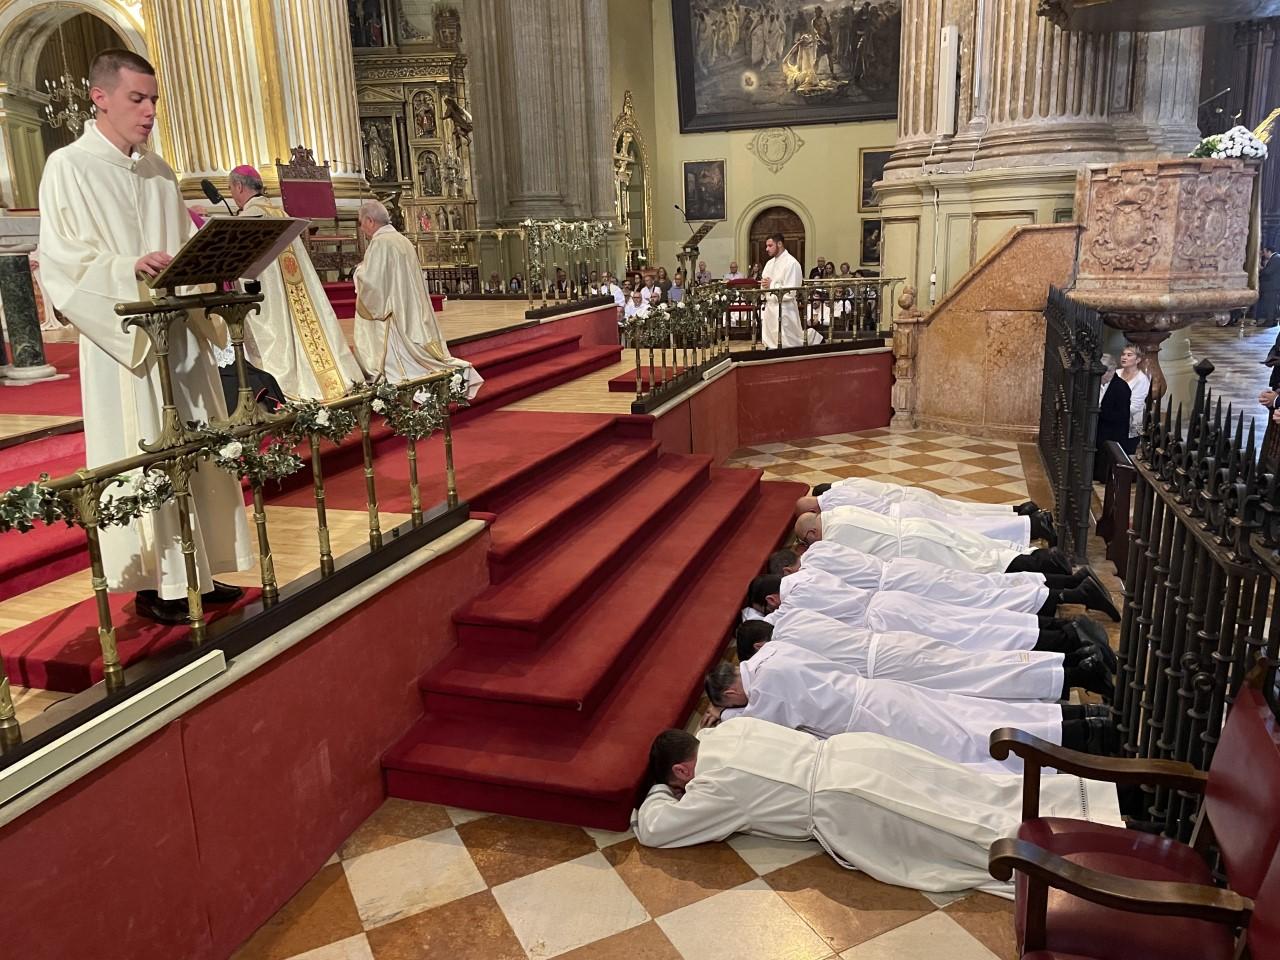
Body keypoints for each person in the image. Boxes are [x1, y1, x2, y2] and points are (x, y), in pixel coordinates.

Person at [37, 50, 253, 625]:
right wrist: (128, 266)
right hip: (125, 341)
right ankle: (159, 582)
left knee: (198, 445)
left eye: (154, 99)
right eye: (137, 98)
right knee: (147, 452)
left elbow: (183, 246)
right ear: (99, 97)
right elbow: (62, 264)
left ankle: (200, 573)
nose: (150, 110)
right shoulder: (69, 166)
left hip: (178, 335)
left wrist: (216, 260)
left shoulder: (158, 171)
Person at [635, 719, 1123, 895]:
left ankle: (1082, 862)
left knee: (963, 834)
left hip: (846, 798)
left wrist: (658, 796)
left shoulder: (713, 785)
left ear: (680, 771)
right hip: (858, 751)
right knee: (976, 792)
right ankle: (1113, 814)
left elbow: (656, 830)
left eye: (678, 784)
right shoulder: (730, 730)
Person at [702, 648, 1118, 771]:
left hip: (874, 719)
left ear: (731, 692)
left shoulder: (767, 690)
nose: (738, 706)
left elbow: (758, 726)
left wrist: (723, 718)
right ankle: (1083, 721)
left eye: (731, 702)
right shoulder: (773, 653)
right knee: (972, 712)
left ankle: (1083, 738)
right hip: (880, 692)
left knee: (968, 741)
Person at [745, 572, 1114, 667]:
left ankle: (1070, 637)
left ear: (773, 599)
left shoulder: (791, 611)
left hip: (886, 624)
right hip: (891, 602)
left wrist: (755, 618)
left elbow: (770, 623)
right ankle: (1068, 629)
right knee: (976, 620)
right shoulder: (809, 574)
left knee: (974, 636)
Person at [227, 165, 364, 401]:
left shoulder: (250, 218)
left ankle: (281, 384)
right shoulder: (280, 213)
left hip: (271, 298)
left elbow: (241, 267)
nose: (231, 194)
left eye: (231, 188)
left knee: (280, 337)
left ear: (239, 186)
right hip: (298, 292)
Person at [735, 619, 1110, 703]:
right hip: (889, 644)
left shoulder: (778, 657)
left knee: (978, 677)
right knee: (978, 659)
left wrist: (731, 712)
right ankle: (1073, 664)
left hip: (886, 667)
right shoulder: (794, 623)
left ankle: (1076, 670)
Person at [769, 543, 1119, 623]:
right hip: (902, 572)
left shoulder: (809, 574)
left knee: (981, 597)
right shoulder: (821, 548)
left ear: (788, 573)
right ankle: (1070, 585)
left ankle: (1070, 590)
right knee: (983, 587)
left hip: (901, 588)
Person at [351, 200, 482, 397]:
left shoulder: (380, 243)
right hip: (409, 307)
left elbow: (373, 284)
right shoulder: (402, 240)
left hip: (395, 314)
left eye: (361, 222)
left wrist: (358, 271)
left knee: (403, 362)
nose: (361, 228)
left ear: (370, 221)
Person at [795, 505, 1075, 578]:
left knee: (977, 566)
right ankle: (1040, 557)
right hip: (916, 528)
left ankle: (1042, 563)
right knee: (977, 547)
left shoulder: (831, 538)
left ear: (810, 536)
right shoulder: (840, 513)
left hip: (914, 549)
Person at [798, 479, 1056, 547]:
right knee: (966, 518)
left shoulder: (835, 509)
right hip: (907, 506)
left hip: (904, 516)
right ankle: (1023, 517)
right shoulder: (840, 491)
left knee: (966, 529)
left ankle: (1031, 524)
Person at [760, 233, 804, 348]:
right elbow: (764, 282)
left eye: (770, 245)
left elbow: (791, 290)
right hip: (770, 307)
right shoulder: (769, 263)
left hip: (785, 308)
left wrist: (772, 284)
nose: (767, 249)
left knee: (787, 343)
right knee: (771, 342)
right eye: (767, 246)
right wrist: (765, 285)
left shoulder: (791, 263)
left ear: (779, 244)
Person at [1094, 353, 1132, 483]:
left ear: (1112, 371)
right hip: (1098, 429)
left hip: (1112, 432)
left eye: (1102, 373)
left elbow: (1121, 416)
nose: (1100, 376)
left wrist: (1099, 411)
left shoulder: (1121, 388)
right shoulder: (1095, 383)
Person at [1115, 344, 1150, 455]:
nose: (1124, 357)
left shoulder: (1141, 380)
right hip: (1113, 422)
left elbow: (1135, 406)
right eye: (1123, 354)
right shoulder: (1116, 373)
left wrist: (1113, 412)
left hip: (1130, 425)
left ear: (1138, 360)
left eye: (1129, 355)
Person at [1257, 243, 1280, 327]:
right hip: (1273, 286)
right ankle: (1273, 321)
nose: (1264, 254)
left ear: (1268, 251)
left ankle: (1270, 321)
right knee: (1272, 304)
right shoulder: (1276, 258)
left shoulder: (1276, 258)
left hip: (1272, 286)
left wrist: (1260, 269)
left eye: (1264, 252)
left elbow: (1268, 272)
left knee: (1270, 305)